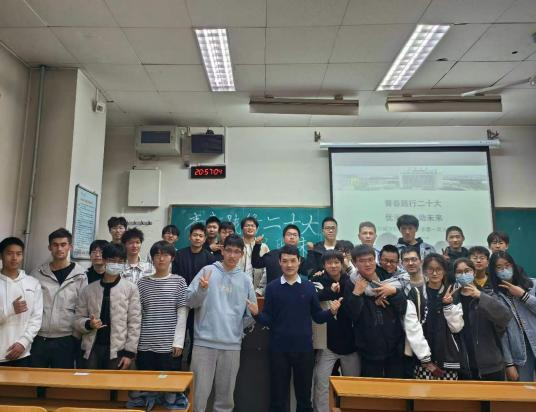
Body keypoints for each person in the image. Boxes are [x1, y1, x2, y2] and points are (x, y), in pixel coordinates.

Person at [247, 245, 341, 412]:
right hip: (278, 350)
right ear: (279, 262)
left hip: (304, 350)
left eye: (292, 261)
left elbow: (317, 317)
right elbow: (267, 319)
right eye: (285, 261)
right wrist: (256, 314)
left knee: (304, 399)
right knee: (277, 398)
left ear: (299, 262)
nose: (289, 265)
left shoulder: (308, 287)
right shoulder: (272, 287)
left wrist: (331, 312)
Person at [188, 234, 256, 412]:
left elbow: (251, 314)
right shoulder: (207, 271)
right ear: (222, 251)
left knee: (225, 399)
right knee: (198, 395)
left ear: (241, 254)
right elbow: (189, 301)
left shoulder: (246, 280)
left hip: (232, 346)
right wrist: (201, 290)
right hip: (204, 343)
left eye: (237, 252)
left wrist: (238, 328)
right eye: (229, 251)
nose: (232, 255)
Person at [75, 243, 141, 370]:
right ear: (104, 260)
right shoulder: (89, 289)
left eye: (120, 261)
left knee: (114, 382)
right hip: (91, 349)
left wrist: (129, 353)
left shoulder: (131, 289)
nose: (116, 264)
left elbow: (134, 322)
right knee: (90, 382)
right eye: (112, 260)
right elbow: (77, 319)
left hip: (118, 350)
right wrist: (89, 324)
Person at [345, 245, 407, 378]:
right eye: (362, 261)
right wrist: (356, 294)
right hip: (368, 347)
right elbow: (351, 315)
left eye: (370, 260)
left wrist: (394, 292)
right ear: (354, 263)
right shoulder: (351, 283)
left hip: (395, 344)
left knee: (397, 384)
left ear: (375, 260)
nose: (367, 264)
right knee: (372, 386)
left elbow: (403, 307)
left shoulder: (388, 276)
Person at [30, 228, 87, 368]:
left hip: (66, 339)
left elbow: (83, 308)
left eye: (63, 244)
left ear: (70, 247)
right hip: (39, 338)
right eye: (55, 245)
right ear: (49, 247)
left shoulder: (80, 275)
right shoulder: (37, 274)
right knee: (35, 378)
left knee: (61, 380)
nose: (59, 248)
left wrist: (75, 335)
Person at [313, 250, 360, 412]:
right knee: (321, 383)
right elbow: (312, 297)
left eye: (336, 262)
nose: (333, 266)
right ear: (324, 265)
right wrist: (330, 292)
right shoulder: (317, 280)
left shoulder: (351, 281)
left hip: (351, 343)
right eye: (329, 263)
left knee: (352, 386)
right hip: (326, 343)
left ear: (342, 264)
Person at [405, 254, 464, 380]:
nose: (435, 273)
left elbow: (457, 327)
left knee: (448, 391)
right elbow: (411, 326)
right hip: (423, 359)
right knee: (424, 391)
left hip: (448, 357)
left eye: (439, 269)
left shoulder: (452, 292)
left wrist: (448, 305)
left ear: (444, 271)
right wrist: (425, 358)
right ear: (425, 271)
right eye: (431, 269)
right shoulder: (416, 293)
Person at [452, 258, 512, 380]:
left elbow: (505, 316)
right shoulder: (452, 298)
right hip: (464, 365)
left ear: (474, 272)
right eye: (459, 272)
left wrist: (480, 296)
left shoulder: (488, 294)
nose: (463, 275)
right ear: (455, 275)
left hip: (490, 364)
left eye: (467, 271)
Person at [137, 241, 188, 371]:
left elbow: (182, 314)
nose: (161, 259)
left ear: (172, 258)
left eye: (165, 255)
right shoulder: (142, 283)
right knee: (144, 382)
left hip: (169, 346)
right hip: (144, 344)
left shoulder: (179, 282)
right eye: (157, 255)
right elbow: (137, 315)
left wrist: (178, 342)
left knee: (167, 383)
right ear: (152, 258)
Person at [488, 251, 536, 382]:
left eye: (507, 265)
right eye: (499, 267)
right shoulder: (495, 296)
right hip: (519, 353)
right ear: (494, 271)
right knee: (524, 391)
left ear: (513, 265)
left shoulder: (532, 285)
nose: (504, 269)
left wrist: (523, 295)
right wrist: (509, 363)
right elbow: (501, 333)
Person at [0, 237, 43, 367]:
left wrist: (23, 342)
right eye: (9, 253)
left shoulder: (33, 283)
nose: (14, 258)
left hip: (22, 354)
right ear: (1, 256)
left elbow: (36, 318)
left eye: (18, 254)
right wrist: (10, 310)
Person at [252, 224, 307, 294]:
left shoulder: (299, 259)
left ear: (299, 239)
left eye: (295, 235)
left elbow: (308, 272)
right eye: (289, 234)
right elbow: (256, 263)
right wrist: (257, 245)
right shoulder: (272, 254)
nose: (292, 237)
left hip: (293, 294)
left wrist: (311, 252)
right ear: (283, 238)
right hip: (273, 294)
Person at [238, 216, 269, 290]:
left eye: (252, 226)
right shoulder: (237, 245)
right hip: (238, 286)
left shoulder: (263, 247)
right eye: (247, 226)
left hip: (257, 288)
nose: (250, 228)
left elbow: (267, 269)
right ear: (242, 229)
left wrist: (260, 289)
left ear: (256, 229)